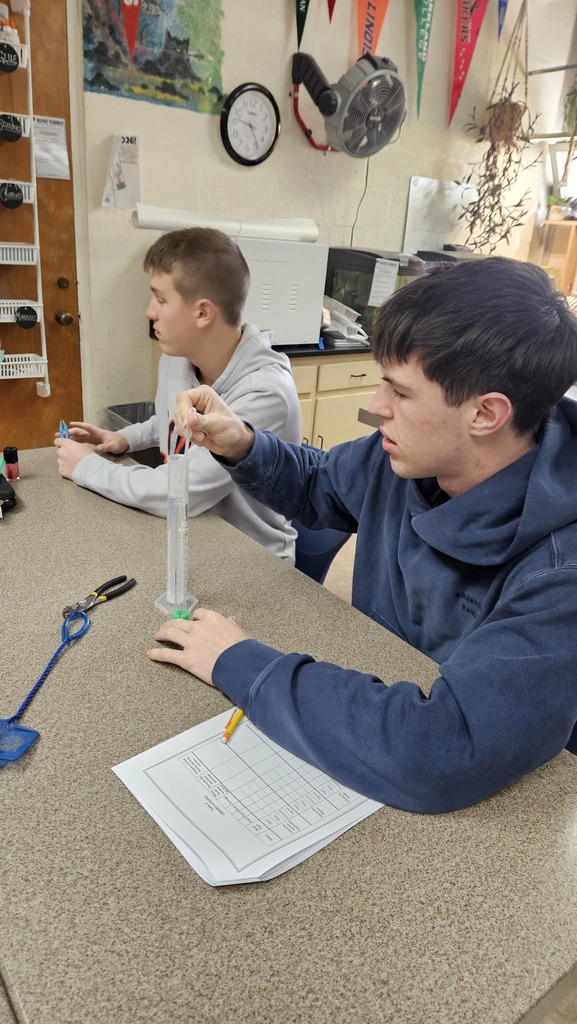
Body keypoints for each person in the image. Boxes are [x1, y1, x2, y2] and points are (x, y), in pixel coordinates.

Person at [147, 256, 577, 815]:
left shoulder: (560, 571)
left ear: (486, 414)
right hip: (378, 696)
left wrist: (239, 660)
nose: (375, 409)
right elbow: (321, 483)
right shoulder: (404, 455)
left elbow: (444, 749)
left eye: (399, 393)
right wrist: (242, 443)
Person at [54, 227, 301, 561]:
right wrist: (124, 438)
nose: (149, 311)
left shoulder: (265, 395)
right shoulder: (176, 357)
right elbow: (170, 421)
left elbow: (177, 494)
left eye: (161, 298)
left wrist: (86, 467)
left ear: (202, 312)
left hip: (251, 558)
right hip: (188, 535)